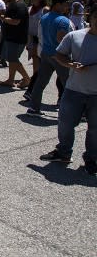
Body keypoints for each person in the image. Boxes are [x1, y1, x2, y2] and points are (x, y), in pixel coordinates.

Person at [39, 9, 97, 175]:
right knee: (65, 124)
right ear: (90, 18)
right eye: (96, 17)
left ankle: (92, 159)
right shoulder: (75, 36)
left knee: (95, 129)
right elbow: (59, 54)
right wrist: (71, 65)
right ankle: (64, 152)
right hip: (74, 90)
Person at [27, 0, 72, 116]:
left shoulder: (45, 17)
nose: (67, 6)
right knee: (70, 84)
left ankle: (33, 107)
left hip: (46, 53)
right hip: (59, 55)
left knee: (41, 82)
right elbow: (61, 39)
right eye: (65, 4)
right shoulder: (63, 20)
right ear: (57, 4)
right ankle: (76, 112)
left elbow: (40, 35)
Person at [0, 0, 30, 88]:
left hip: (17, 37)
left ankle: (27, 79)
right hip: (11, 37)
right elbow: (10, 17)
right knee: (12, 59)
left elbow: (15, 21)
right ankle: (10, 80)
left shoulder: (20, 5)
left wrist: (1, 17)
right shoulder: (13, 5)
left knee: (13, 59)